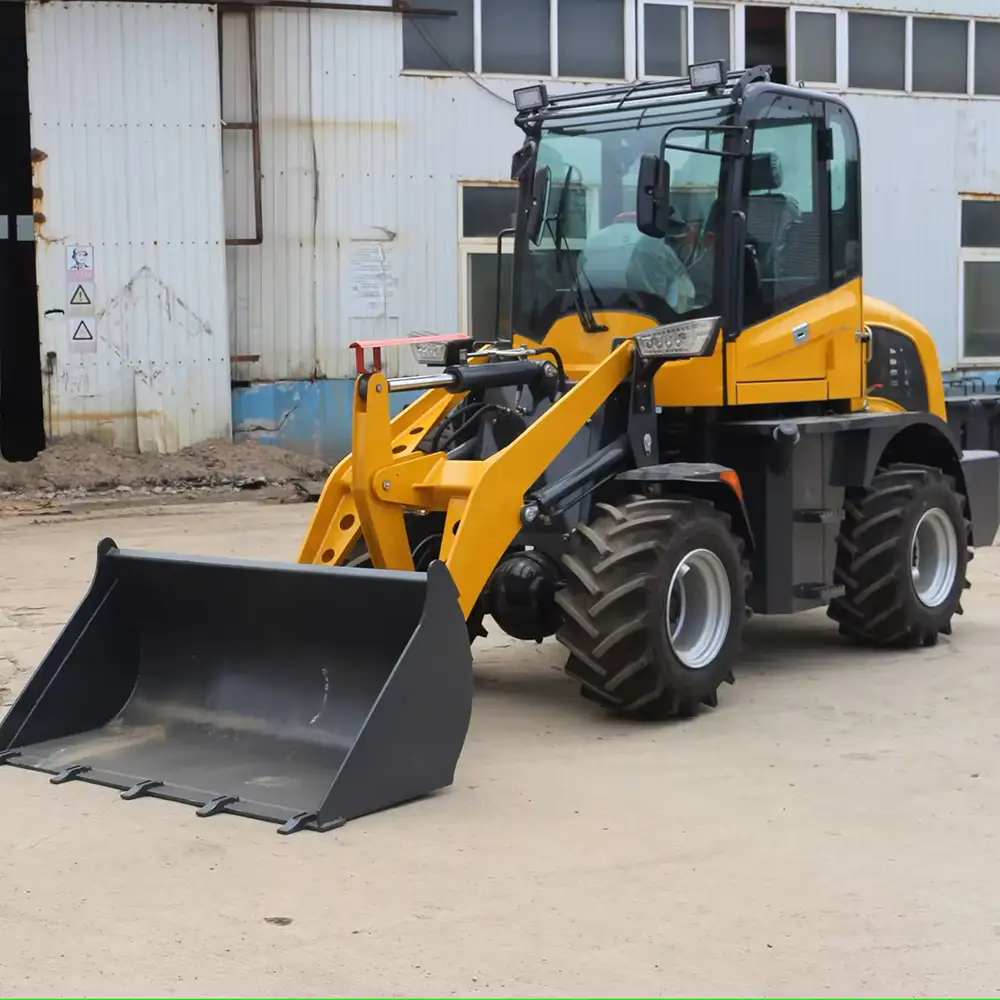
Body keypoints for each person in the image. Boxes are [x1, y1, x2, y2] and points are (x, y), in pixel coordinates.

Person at [576, 212, 697, 314]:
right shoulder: (651, 243)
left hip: (590, 315)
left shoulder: (597, 239)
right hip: (649, 319)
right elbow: (680, 290)